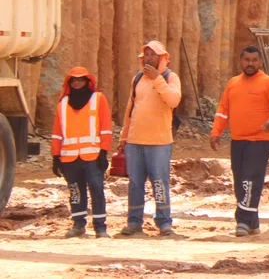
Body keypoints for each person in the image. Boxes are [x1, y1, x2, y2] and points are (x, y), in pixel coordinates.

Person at [210, 46, 269, 237]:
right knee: (239, 181)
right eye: (247, 60)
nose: (250, 64)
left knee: (250, 179)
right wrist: (216, 132)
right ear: (240, 61)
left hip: (260, 140)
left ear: (260, 62)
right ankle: (253, 222)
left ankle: (243, 221)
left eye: (254, 60)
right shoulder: (233, 83)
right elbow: (223, 109)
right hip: (238, 140)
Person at [115, 40, 182, 237]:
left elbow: (173, 100)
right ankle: (134, 221)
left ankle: (164, 222)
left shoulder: (170, 77)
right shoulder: (137, 78)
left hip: (159, 142)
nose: (149, 58)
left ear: (162, 58)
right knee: (135, 183)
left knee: (160, 183)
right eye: (146, 54)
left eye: (153, 54)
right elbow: (130, 109)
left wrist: (157, 79)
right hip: (135, 141)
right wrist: (124, 137)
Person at [51, 67, 113, 239]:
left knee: (96, 190)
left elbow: (106, 128)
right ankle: (78, 225)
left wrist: (103, 152)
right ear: (69, 83)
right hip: (69, 157)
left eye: (80, 79)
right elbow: (57, 132)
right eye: (73, 80)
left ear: (87, 81)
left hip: (92, 156)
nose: (77, 82)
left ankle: (100, 228)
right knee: (76, 192)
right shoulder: (62, 104)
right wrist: (56, 157)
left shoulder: (98, 99)